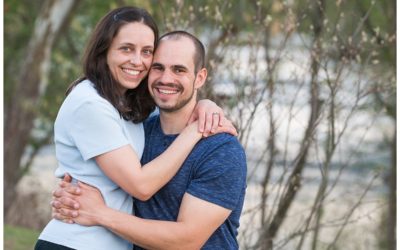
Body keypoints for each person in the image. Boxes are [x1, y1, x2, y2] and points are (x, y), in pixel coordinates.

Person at [35, 7, 235, 250]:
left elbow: (172, 102)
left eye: (146, 52)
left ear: (200, 78)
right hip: (78, 242)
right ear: (104, 50)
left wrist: (206, 104)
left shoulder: (135, 111)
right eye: (126, 48)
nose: (137, 61)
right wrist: (196, 130)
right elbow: (141, 186)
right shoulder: (90, 104)